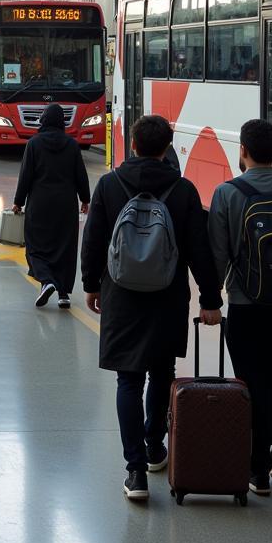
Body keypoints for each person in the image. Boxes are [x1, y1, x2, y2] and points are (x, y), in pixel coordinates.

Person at [81, 114, 222, 501]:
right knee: (162, 373)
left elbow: (92, 242)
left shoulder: (109, 185)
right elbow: (199, 251)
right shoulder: (183, 190)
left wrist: (91, 285)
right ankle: (155, 446)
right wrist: (211, 300)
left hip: (121, 295)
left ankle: (135, 471)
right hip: (167, 295)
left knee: (128, 379)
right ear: (167, 147)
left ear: (132, 141)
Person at [207, 118, 272, 495]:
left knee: (252, 384)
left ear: (242, 150)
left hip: (246, 303)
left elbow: (219, 255)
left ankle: (257, 471)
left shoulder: (227, 193)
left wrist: (213, 300)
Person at [11, 103, 90, 308]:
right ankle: (63, 294)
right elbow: (80, 174)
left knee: (35, 247)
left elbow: (25, 176)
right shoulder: (72, 145)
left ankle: (47, 282)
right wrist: (85, 199)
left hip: (40, 203)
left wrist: (18, 202)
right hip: (66, 204)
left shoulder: (34, 144)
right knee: (64, 247)